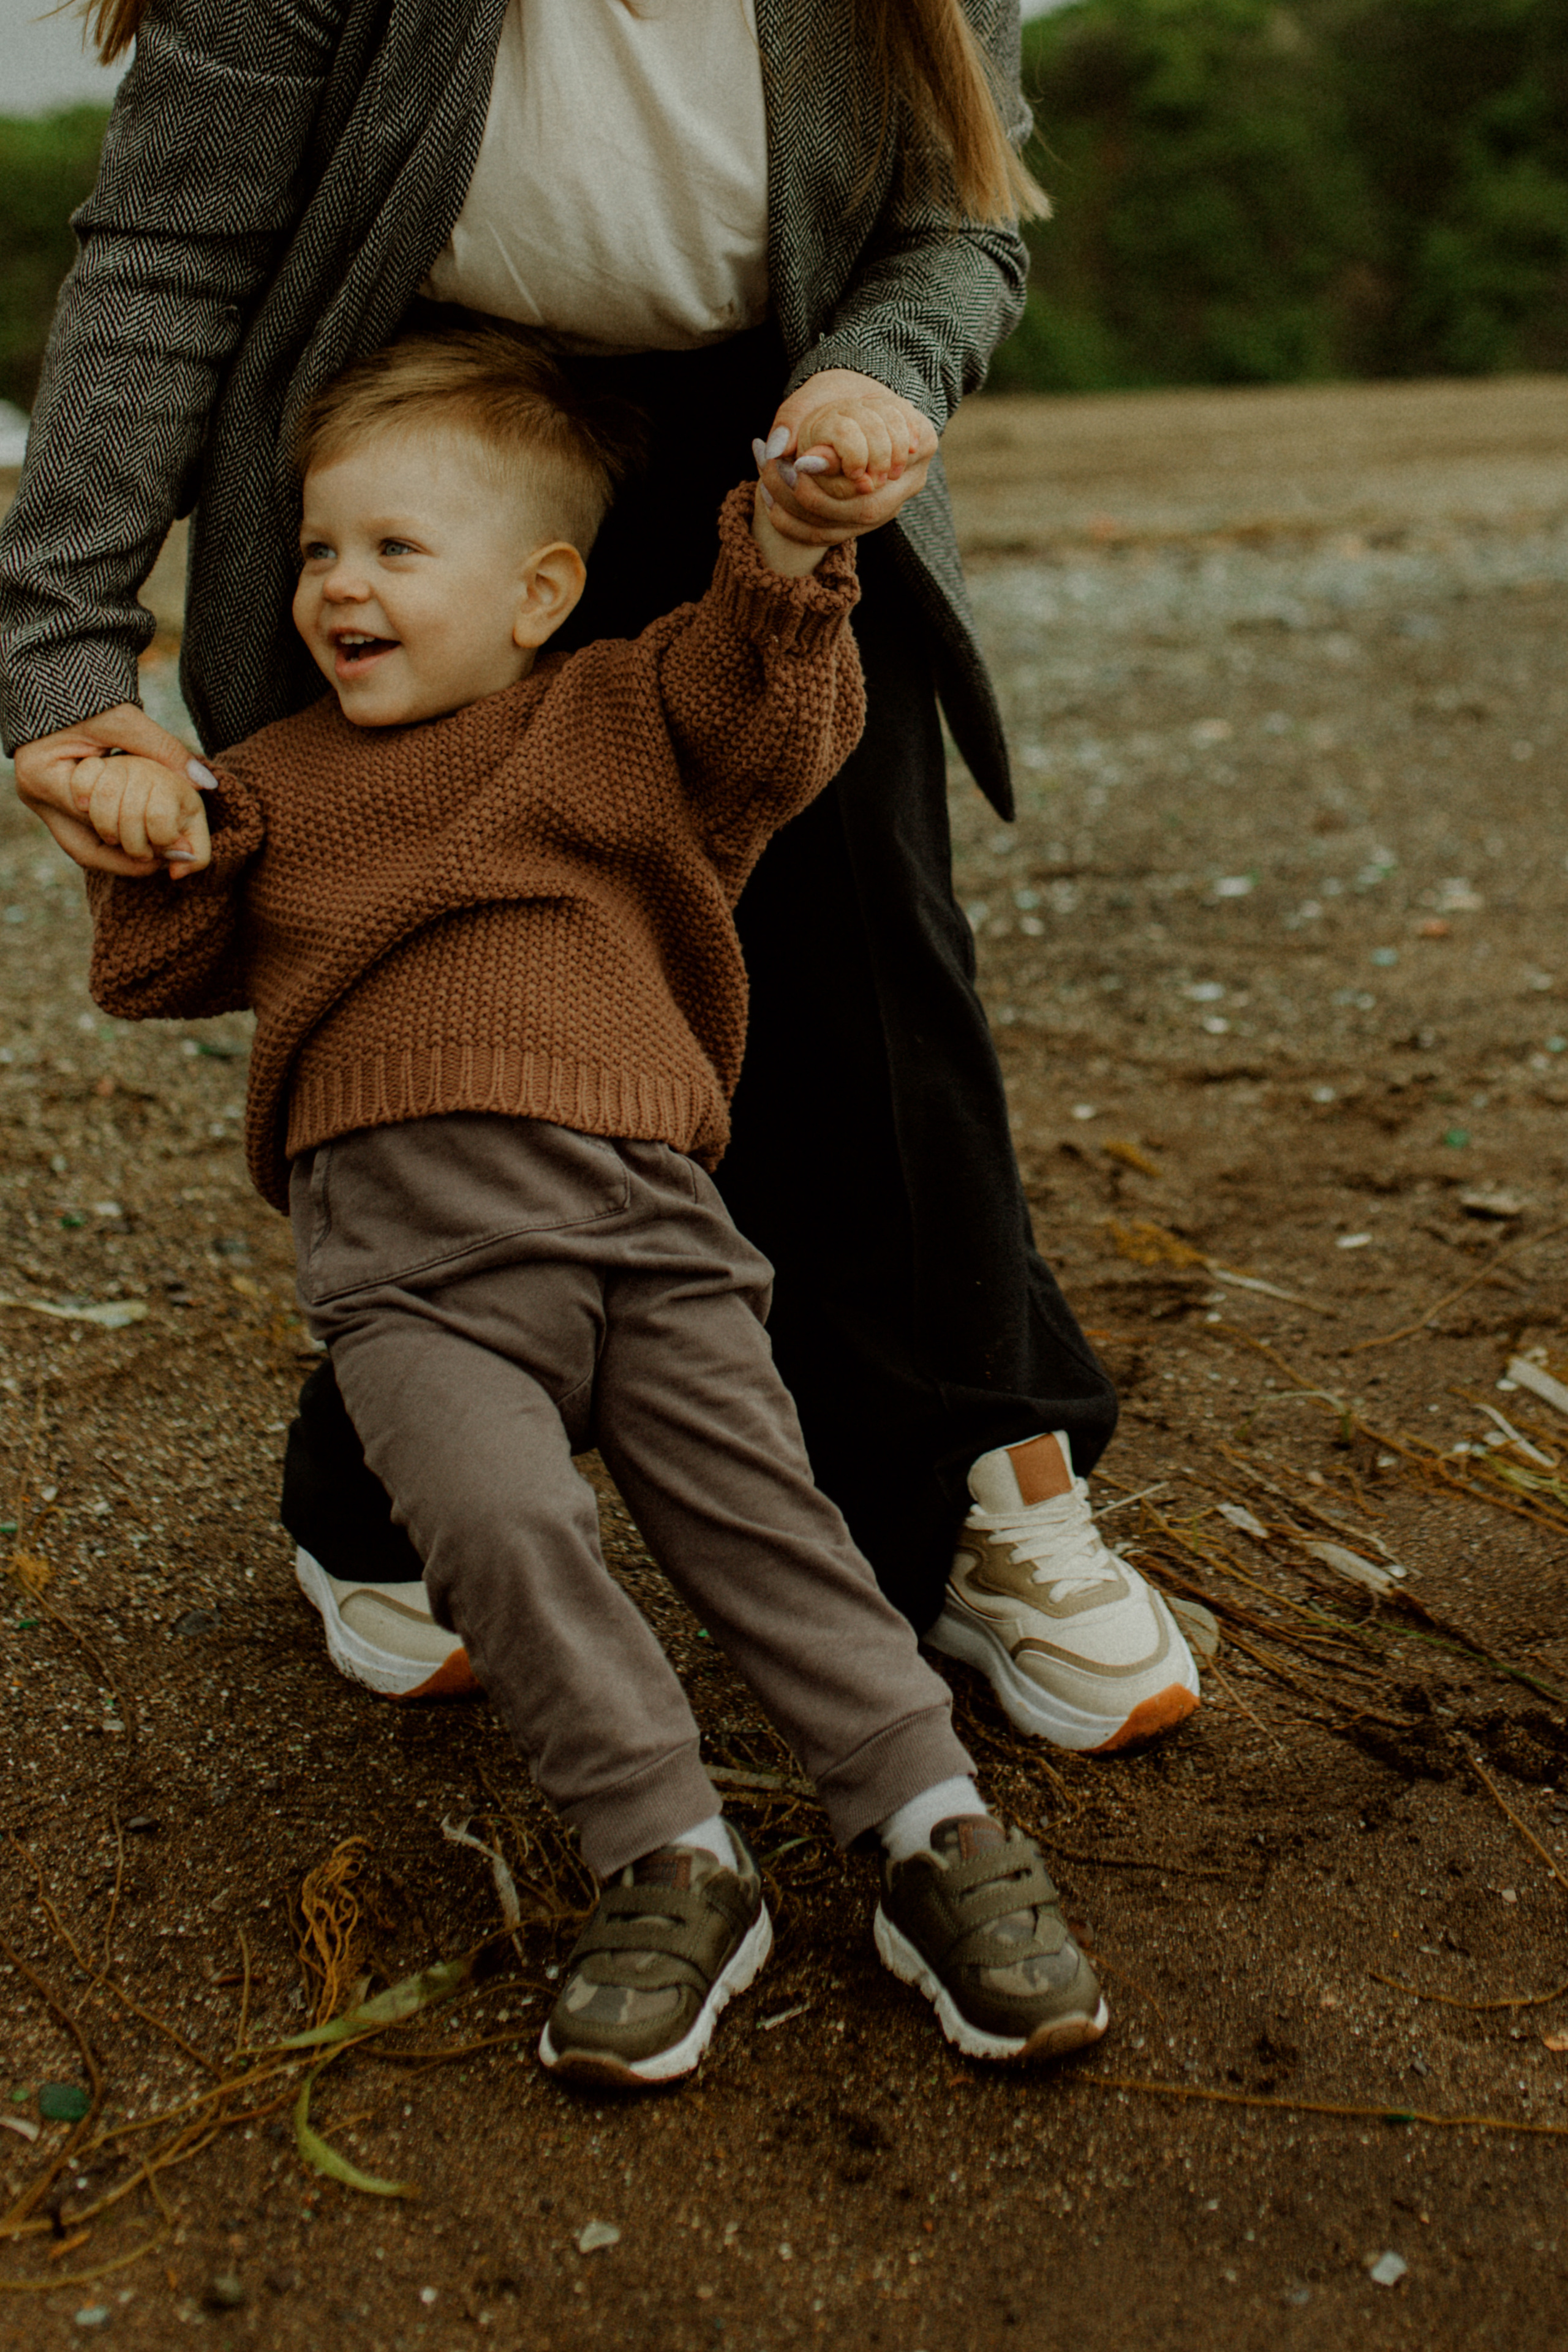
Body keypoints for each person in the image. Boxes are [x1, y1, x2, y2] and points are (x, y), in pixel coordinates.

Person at [0, 0, 1199, 1755]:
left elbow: (957, 226)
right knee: (469, 993)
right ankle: (386, 1486)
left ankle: (979, 1491)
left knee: (863, 968)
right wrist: (61, 651)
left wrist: (881, 369)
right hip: (441, 440)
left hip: (771, 446)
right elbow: (173, 254)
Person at [75, 330, 1110, 2084]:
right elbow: (166, 961)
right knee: (507, 1532)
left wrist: (792, 536)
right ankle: (671, 1858)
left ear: (543, 588)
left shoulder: (620, 718)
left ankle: (929, 1825)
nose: (339, 588)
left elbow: (768, 701)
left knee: (770, 1537)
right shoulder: (285, 780)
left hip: (652, 1241)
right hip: (411, 1281)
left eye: (398, 551)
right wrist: (136, 817)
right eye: (322, 549)